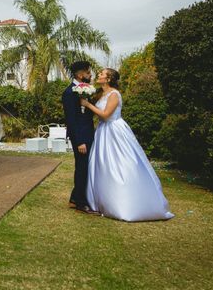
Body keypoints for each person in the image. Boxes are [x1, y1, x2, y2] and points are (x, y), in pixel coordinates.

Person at [81, 68, 174, 222]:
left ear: (109, 78)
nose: (99, 75)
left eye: (102, 74)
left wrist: (87, 105)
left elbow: (105, 115)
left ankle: (126, 202)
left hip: (114, 131)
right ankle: (103, 201)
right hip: (103, 132)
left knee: (121, 164)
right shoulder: (99, 93)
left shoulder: (114, 94)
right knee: (102, 166)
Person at [61, 61, 98, 214]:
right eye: (88, 73)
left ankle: (74, 198)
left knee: (84, 167)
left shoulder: (86, 90)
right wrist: (80, 141)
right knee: (82, 169)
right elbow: (71, 119)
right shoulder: (70, 92)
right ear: (80, 74)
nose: (90, 75)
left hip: (88, 134)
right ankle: (81, 204)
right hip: (81, 138)